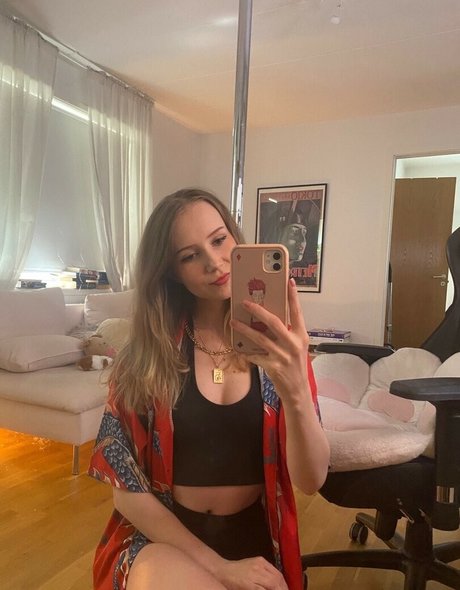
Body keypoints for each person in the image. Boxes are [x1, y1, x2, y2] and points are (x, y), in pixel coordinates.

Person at [88, 188, 330, 590]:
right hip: (164, 539)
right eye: (189, 255)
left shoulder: (281, 349)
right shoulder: (146, 356)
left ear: (235, 238)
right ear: (171, 271)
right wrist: (219, 568)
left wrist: (296, 391)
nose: (214, 262)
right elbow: (125, 491)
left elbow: (311, 480)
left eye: (219, 240)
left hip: (255, 538)